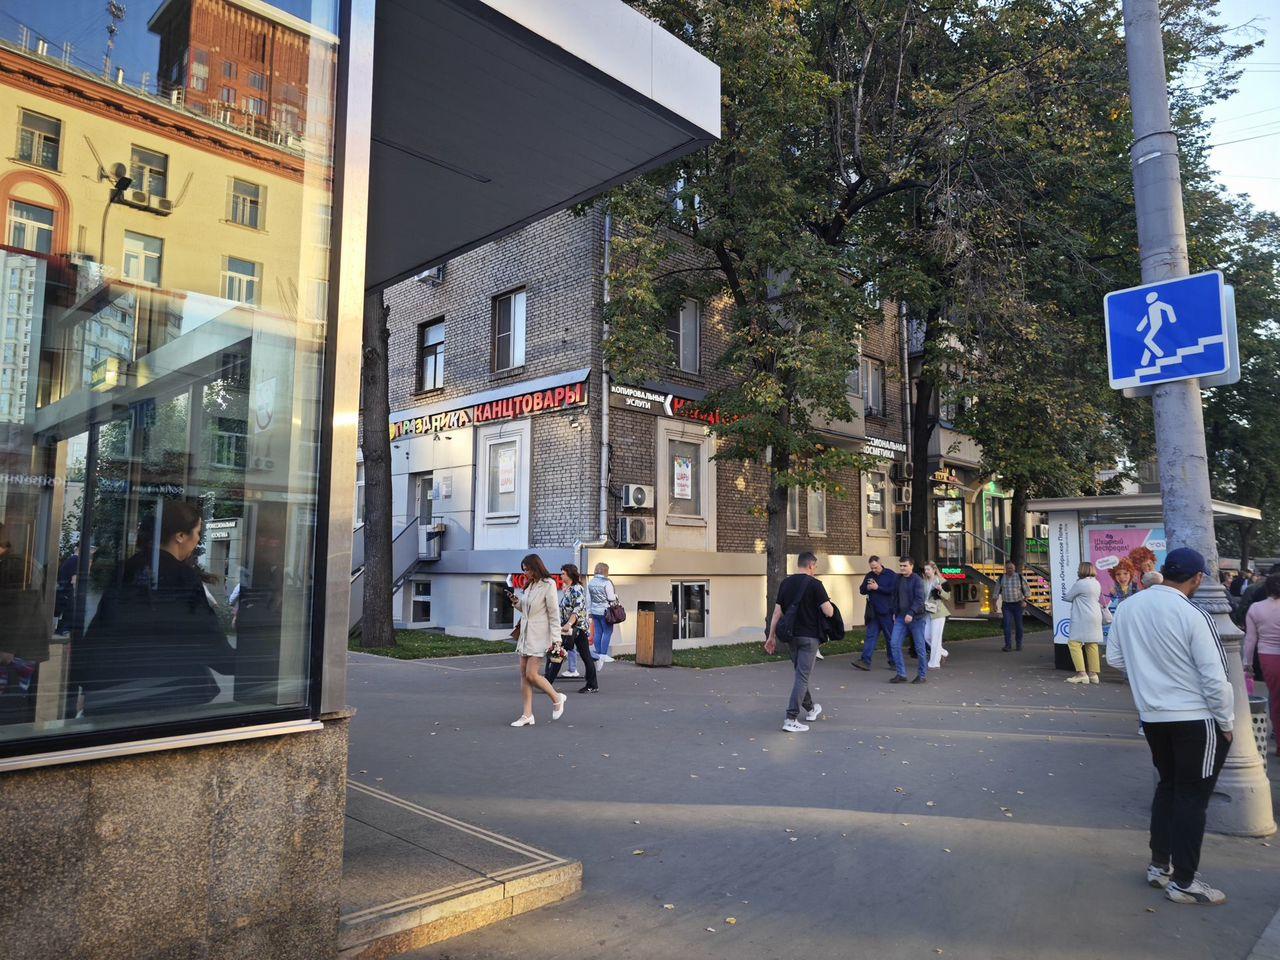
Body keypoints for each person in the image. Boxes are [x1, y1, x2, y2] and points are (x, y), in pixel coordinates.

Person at [1106, 547, 1233, 905]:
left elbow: (1114, 658)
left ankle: (1160, 865)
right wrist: (1226, 722)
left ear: (1164, 570)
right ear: (1198, 578)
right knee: (1192, 799)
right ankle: (1185, 882)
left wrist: (1149, 675)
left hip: (1153, 718)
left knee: (1168, 787)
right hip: (1196, 719)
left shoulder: (1129, 607)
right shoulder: (1194, 614)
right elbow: (1215, 678)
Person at [73, 501, 236, 717]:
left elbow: (102, 626)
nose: (198, 540)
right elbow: (207, 638)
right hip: (164, 695)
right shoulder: (182, 577)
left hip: (114, 691)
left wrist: (88, 684)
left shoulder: (128, 568)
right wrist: (246, 660)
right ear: (180, 536)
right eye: (197, 532)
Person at [764, 551, 833, 732]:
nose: (815, 569)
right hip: (809, 638)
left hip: (791, 637)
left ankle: (811, 708)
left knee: (800, 676)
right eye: (815, 566)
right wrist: (829, 605)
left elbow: (777, 613)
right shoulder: (815, 585)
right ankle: (791, 718)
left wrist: (771, 636)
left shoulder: (785, 583)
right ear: (811, 565)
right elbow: (828, 611)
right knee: (802, 677)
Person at [508, 554, 567, 726]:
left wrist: (557, 640)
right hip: (526, 635)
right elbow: (528, 610)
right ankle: (527, 715)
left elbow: (554, 615)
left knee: (531, 674)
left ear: (536, 568)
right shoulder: (530, 585)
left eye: (527, 570)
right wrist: (516, 602)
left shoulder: (548, 584)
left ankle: (557, 698)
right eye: (523, 570)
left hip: (540, 636)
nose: (525, 573)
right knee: (524, 675)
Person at [546, 563, 598, 694]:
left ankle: (592, 685)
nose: (561, 575)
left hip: (576, 629)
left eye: (563, 573)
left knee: (572, 655)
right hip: (569, 629)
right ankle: (547, 683)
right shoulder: (568, 589)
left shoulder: (577, 589)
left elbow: (577, 608)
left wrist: (569, 624)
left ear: (569, 574)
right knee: (559, 653)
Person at [1243, 574, 1280, 757]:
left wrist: (1247, 663)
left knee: (1276, 699)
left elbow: (1250, 639)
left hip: (1268, 656)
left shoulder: (1256, 608)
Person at [853, 556, 897, 671]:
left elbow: (894, 590)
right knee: (870, 636)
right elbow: (862, 590)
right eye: (872, 568)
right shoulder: (869, 575)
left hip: (887, 612)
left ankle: (894, 662)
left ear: (880, 563)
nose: (873, 570)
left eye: (875, 567)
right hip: (873, 612)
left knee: (890, 638)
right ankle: (865, 661)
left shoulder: (890, 575)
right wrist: (867, 587)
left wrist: (878, 588)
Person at [889, 557, 929, 684]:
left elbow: (919, 600)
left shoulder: (917, 580)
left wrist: (911, 613)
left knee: (919, 647)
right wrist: (895, 612)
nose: (902, 568)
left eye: (905, 566)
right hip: (901, 617)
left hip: (916, 618)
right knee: (894, 643)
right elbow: (895, 597)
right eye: (901, 566)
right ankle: (901, 674)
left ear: (911, 566)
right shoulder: (898, 579)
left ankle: (922, 675)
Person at [1064, 562, 1104, 684]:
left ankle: (1081, 674)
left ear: (1082, 570)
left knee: (1074, 643)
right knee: (1092, 643)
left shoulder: (1080, 583)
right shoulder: (1096, 583)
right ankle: (1093, 675)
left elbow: (1068, 597)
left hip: (1082, 616)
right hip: (1095, 615)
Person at [587, 563, 620, 667]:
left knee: (598, 632)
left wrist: (589, 611)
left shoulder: (591, 582)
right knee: (607, 632)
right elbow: (611, 598)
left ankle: (598, 653)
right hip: (605, 612)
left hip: (594, 611)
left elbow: (588, 598)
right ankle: (603, 654)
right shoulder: (607, 582)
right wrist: (616, 596)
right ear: (606, 571)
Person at [922, 562, 952, 670]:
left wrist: (940, 590)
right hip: (927, 611)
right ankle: (943, 652)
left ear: (934, 570)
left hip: (938, 612)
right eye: (925, 569)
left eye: (928, 569)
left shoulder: (941, 580)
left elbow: (948, 597)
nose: (926, 572)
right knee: (926, 636)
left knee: (936, 638)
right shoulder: (924, 581)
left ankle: (934, 663)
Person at [996, 561, 1031, 652]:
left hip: (1018, 604)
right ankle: (1008, 645)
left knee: (1019, 626)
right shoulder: (1001, 578)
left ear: (1014, 569)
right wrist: (994, 603)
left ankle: (1019, 644)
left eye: (1011, 568)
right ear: (1005, 569)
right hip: (1006, 605)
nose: (1010, 570)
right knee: (1007, 625)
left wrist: (1024, 600)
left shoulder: (1019, 577)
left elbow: (1027, 591)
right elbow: (996, 592)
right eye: (1008, 568)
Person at [1104, 559, 1140, 641]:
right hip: (1121, 619)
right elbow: (1108, 603)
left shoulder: (1135, 587)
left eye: (1125, 573)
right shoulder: (1115, 589)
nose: (1122, 577)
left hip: (1134, 619)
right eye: (1118, 574)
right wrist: (1112, 594)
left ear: (1131, 573)